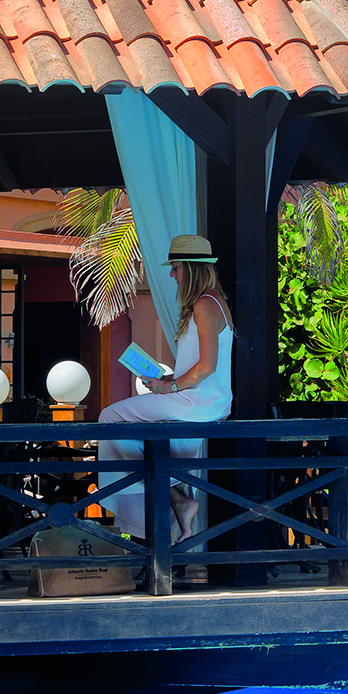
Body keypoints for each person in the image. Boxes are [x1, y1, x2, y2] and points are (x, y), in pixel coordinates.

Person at [97, 233, 232, 545]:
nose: (172, 275)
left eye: (175, 267)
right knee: (137, 434)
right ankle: (175, 496)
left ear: (190, 268)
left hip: (196, 401)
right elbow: (202, 365)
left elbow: (208, 367)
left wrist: (169, 386)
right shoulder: (213, 302)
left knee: (110, 417)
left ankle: (172, 493)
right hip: (199, 398)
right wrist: (166, 378)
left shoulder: (204, 305)